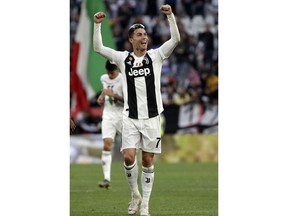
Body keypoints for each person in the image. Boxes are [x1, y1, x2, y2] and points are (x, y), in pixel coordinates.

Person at [93, 4, 180, 216]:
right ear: (131, 39)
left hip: (151, 118)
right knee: (129, 157)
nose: (144, 37)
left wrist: (170, 17)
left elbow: (176, 39)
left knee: (148, 161)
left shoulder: (156, 56)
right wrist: (97, 26)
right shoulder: (124, 59)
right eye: (139, 34)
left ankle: (146, 205)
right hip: (130, 117)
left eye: (145, 34)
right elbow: (98, 48)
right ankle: (135, 194)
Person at [97, 60, 124, 189]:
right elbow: (105, 90)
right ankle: (107, 178)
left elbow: (129, 100)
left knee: (128, 148)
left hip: (122, 116)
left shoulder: (124, 79)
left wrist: (113, 95)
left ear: (117, 70)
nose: (110, 75)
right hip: (108, 115)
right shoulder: (104, 78)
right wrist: (102, 96)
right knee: (107, 144)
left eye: (112, 73)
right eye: (108, 72)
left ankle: (134, 174)